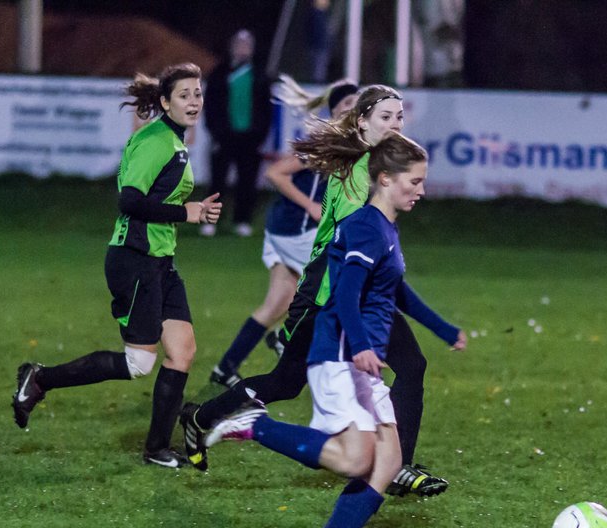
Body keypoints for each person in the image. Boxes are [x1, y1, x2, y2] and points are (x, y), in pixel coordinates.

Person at [199, 134, 466, 528]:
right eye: (414, 182)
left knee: (390, 460)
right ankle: (254, 425)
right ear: (384, 179)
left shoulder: (384, 227)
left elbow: (396, 290)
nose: (422, 190)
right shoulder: (364, 226)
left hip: (359, 357)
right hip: (340, 353)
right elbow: (344, 291)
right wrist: (360, 345)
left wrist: (443, 329)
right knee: (356, 459)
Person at [181, 85, 451, 498]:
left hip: (362, 291)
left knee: (411, 365)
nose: (396, 124)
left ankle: (398, 467)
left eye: (400, 117)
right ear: (362, 121)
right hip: (327, 292)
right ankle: (201, 418)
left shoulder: (379, 166)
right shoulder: (356, 173)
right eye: (386, 117)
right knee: (287, 382)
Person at [10, 64, 223, 468]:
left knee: (183, 351)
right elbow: (129, 201)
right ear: (165, 102)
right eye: (184, 95)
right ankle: (39, 379)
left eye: (197, 94)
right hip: (134, 261)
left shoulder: (174, 141)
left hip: (161, 262)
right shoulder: (156, 142)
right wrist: (187, 213)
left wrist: (189, 214)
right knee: (138, 363)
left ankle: (157, 448)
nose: (194, 101)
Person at [207, 78, 360, 388]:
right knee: (338, 288)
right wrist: (311, 206)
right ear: (334, 110)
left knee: (278, 303)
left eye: (357, 105)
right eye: (347, 105)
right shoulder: (325, 142)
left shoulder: (345, 143)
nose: (353, 110)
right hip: (296, 232)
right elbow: (275, 173)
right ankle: (288, 339)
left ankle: (226, 368)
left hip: (281, 229)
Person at [202, 30, 273, 237]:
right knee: (217, 181)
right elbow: (210, 107)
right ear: (232, 47)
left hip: (250, 138)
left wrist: (260, 135)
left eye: (246, 46)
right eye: (239, 45)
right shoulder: (220, 73)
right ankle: (211, 221)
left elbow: (266, 110)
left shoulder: (259, 75)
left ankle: (242, 220)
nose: (243, 49)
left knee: (247, 181)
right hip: (224, 135)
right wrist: (215, 132)